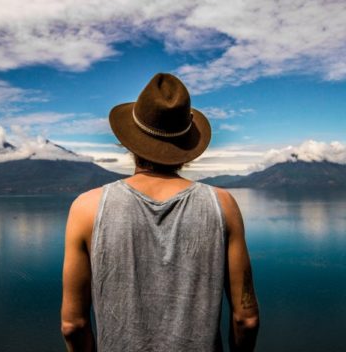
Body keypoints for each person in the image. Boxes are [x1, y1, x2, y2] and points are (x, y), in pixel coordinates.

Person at [61, 73, 259, 352]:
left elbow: (74, 326)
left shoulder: (87, 207)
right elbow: (246, 319)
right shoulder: (222, 205)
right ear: (187, 145)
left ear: (130, 141)